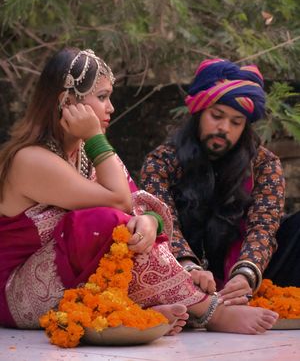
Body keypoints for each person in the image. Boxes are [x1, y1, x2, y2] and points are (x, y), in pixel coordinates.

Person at [0, 49, 278, 336]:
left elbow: (136, 204)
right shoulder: (31, 160)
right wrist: (96, 137)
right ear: (68, 102)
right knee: (97, 224)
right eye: (102, 97)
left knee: (129, 228)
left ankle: (136, 308)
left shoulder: (83, 153)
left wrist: (149, 222)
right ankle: (212, 312)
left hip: (67, 283)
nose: (111, 108)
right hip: (15, 294)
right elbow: (118, 203)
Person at [141, 58, 300, 308]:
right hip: (179, 271)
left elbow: (263, 227)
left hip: (250, 275)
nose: (224, 128)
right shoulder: (162, 161)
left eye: (236, 122)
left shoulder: (264, 164)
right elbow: (162, 221)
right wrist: (188, 267)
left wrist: (246, 274)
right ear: (199, 111)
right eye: (216, 116)